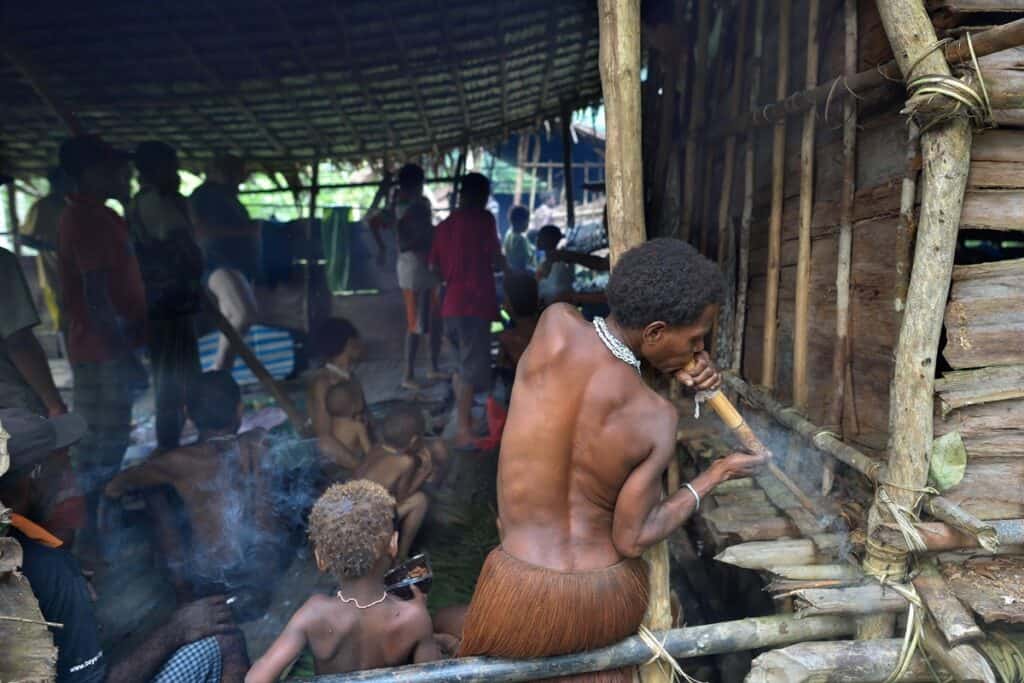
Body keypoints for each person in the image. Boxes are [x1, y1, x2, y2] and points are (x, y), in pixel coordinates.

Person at [457, 239, 769, 681]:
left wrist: (667, 362)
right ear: (656, 332)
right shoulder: (655, 418)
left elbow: (604, 367)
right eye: (696, 342)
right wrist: (719, 471)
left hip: (516, 590)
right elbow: (634, 538)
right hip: (601, 597)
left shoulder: (553, 325)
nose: (700, 356)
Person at [0, 408, 248, 683]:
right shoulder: (49, 568)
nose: (65, 477)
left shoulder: (24, 552)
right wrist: (177, 629)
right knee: (224, 640)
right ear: (34, 477)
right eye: (59, 463)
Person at [104, 371, 282, 617]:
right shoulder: (259, 442)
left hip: (214, 589)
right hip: (261, 582)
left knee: (155, 493)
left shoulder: (178, 462)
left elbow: (113, 487)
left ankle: (183, 596)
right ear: (240, 410)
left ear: (187, 414)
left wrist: (156, 463)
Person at [245, 480, 441, 681]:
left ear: (321, 558)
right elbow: (437, 677)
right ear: (393, 544)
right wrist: (420, 612)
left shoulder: (315, 613)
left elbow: (257, 678)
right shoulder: (414, 618)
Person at [57, 134, 147, 558]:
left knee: (107, 438)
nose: (126, 175)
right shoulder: (87, 220)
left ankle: (94, 522)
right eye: (115, 168)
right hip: (100, 348)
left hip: (105, 344)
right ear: (90, 173)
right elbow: (96, 296)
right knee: (100, 443)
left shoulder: (102, 215)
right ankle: (87, 532)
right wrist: (124, 354)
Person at [0, 244, 84, 545]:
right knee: (44, 510)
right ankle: (58, 577)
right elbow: (19, 340)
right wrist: (53, 403)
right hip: (11, 406)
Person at [129, 141, 204, 450]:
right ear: (154, 170)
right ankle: (169, 448)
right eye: (170, 168)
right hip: (166, 306)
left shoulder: (158, 202)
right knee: (172, 382)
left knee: (181, 378)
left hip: (172, 304)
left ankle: (183, 441)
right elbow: (178, 245)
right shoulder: (152, 203)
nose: (175, 175)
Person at [428, 172, 504, 449]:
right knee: (472, 370)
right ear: (481, 196)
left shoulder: (443, 227)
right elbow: (496, 259)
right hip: (474, 304)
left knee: (462, 368)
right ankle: (463, 429)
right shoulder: (484, 220)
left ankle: (463, 422)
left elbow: (434, 269)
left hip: (450, 306)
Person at [370, 164, 444, 390]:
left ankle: (430, 368)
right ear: (416, 184)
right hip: (415, 266)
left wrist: (382, 248)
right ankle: (409, 374)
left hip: (419, 265)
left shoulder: (399, 206)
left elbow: (374, 222)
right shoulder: (413, 205)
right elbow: (420, 235)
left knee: (429, 319)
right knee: (416, 323)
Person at [188, 153, 259, 372]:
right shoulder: (203, 196)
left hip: (231, 265)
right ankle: (220, 368)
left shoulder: (226, 197)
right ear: (219, 173)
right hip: (216, 263)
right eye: (235, 174)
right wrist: (245, 230)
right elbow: (200, 231)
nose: (240, 179)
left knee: (235, 316)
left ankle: (222, 371)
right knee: (243, 313)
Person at [354, 404, 433, 560]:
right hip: (369, 524)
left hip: (352, 514)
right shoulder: (405, 461)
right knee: (420, 501)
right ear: (414, 440)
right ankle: (401, 555)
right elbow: (402, 497)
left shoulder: (376, 448)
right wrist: (424, 473)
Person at [307, 317, 369, 471]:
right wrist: (362, 469)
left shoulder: (351, 378)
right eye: (358, 339)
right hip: (342, 467)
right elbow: (324, 441)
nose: (362, 344)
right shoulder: (323, 383)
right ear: (349, 344)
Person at [19, 166, 73, 331]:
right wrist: (50, 247)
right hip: (53, 271)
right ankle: (71, 354)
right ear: (54, 183)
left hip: (76, 269)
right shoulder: (42, 207)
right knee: (62, 317)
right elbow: (24, 239)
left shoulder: (71, 205)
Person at [496, 270, 540, 374]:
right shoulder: (550, 331)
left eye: (505, 299)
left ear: (510, 303)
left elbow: (502, 372)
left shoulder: (507, 339)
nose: (503, 304)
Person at [323, 379, 372, 470]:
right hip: (353, 462)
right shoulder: (357, 426)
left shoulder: (332, 421)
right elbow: (369, 452)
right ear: (353, 407)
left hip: (335, 463)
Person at [502, 205, 534, 272]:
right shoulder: (520, 239)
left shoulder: (508, 233)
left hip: (511, 271)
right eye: (527, 221)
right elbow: (523, 263)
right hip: (521, 274)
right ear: (521, 221)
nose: (528, 224)